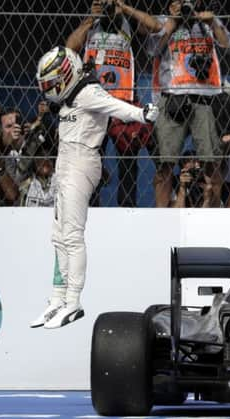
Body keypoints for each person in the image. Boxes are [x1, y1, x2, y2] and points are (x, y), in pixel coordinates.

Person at [31, 46, 159, 329]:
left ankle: (73, 302)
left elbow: (116, 106)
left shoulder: (89, 92)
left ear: (66, 74)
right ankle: (56, 299)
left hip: (82, 161)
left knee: (72, 236)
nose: (50, 89)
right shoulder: (69, 96)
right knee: (58, 236)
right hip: (65, 161)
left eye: (53, 82)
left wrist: (143, 114)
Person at [66, 0, 159, 207]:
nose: (108, 6)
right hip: (94, 103)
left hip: (123, 102)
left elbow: (155, 26)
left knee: (127, 162)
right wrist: (92, 17)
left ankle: (127, 210)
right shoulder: (92, 23)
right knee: (91, 158)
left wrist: (124, 9)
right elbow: (70, 48)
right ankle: (90, 207)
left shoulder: (128, 22)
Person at [146, 0, 230, 207]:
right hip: (172, 99)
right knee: (165, 164)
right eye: (180, 3)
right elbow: (152, 51)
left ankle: (211, 211)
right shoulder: (164, 21)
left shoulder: (206, 21)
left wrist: (212, 22)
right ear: (171, 7)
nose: (186, 7)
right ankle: (161, 214)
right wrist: (172, 24)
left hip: (205, 98)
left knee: (211, 162)